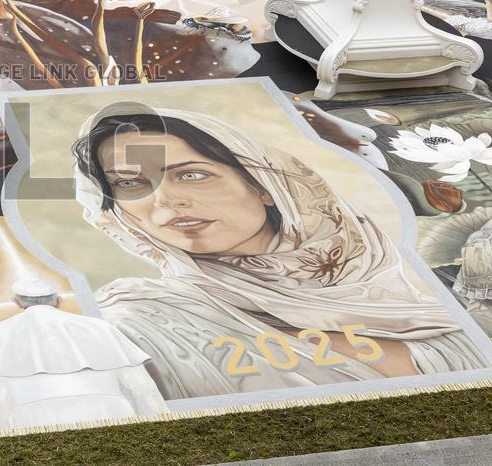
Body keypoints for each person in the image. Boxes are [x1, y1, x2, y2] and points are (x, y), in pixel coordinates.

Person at [71, 103, 487, 400]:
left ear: (261, 184)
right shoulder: (142, 316)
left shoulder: (412, 276)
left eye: (192, 175)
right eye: (128, 184)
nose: (164, 204)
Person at [0, 278, 165, 431]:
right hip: (112, 415)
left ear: (16, 302)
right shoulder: (100, 328)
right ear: (59, 300)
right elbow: (141, 388)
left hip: (36, 423)